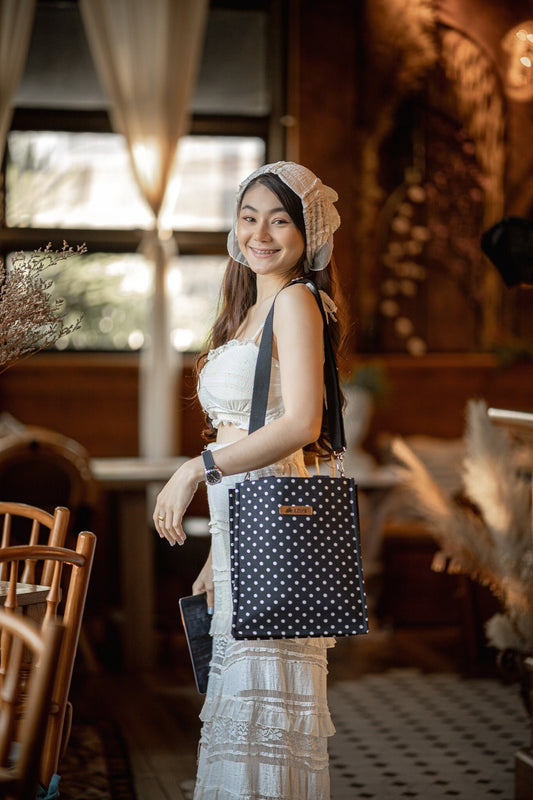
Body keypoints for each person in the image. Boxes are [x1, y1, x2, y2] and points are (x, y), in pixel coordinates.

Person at [153, 160, 344, 800]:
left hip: (276, 537)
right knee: (241, 709)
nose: (261, 233)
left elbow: (300, 423)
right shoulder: (250, 308)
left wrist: (194, 468)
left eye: (280, 219)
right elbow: (247, 433)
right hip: (248, 529)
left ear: (307, 231)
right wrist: (219, 547)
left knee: (264, 712)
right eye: (249, 217)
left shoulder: (295, 300)